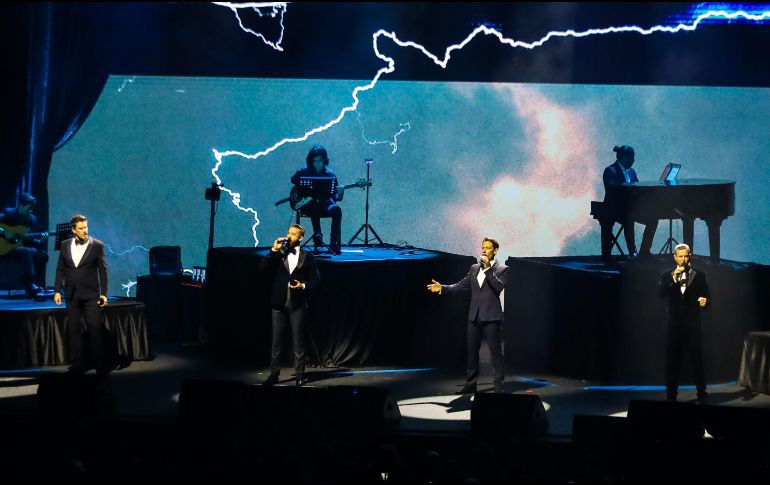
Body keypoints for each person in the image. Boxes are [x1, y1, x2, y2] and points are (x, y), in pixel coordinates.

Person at [427, 237, 509, 394]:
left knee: (495, 353)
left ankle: (498, 385)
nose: (484, 250)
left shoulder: (503, 269)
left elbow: (498, 287)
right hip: (474, 316)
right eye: (483, 247)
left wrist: (487, 269)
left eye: (488, 248)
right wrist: (443, 288)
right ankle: (471, 384)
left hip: (491, 316)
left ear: (495, 250)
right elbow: (462, 286)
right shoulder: (473, 268)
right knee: (472, 352)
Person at [260, 223, 320, 386]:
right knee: (277, 340)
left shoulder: (308, 257)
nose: (289, 236)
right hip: (278, 302)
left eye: (293, 234)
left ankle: (300, 374)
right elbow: (263, 268)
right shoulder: (279, 254)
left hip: (297, 303)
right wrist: (273, 251)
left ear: (300, 238)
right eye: (288, 232)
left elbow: (316, 280)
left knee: (298, 340)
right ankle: (274, 374)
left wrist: (303, 286)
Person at [53, 215, 110, 375]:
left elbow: (103, 271)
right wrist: (57, 290)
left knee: (94, 330)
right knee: (74, 330)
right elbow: (60, 269)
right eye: (81, 228)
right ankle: (78, 363)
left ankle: (99, 364)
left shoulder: (97, 245)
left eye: (86, 227)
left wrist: (104, 294)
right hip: (71, 295)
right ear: (73, 230)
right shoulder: (65, 245)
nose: (85, 230)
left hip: (91, 295)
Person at [658, 243, 710, 402]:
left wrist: (704, 301)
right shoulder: (667, 274)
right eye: (680, 256)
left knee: (697, 359)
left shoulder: (700, 275)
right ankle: (671, 394)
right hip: (674, 325)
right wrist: (674, 278)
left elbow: (707, 297)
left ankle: (702, 392)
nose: (683, 259)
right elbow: (660, 294)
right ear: (675, 257)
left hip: (693, 324)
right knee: (672, 360)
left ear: (690, 256)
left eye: (685, 256)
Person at [601, 145, 658, 260]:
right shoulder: (610, 170)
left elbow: (638, 188)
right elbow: (612, 188)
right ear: (623, 158)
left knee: (653, 219)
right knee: (629, 218)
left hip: (630, 209)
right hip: (614, 209)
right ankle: (632, 252)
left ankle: (644, 251)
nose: (633, 161)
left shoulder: (632, 172)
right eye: (631, 158)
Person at [290, 145, 345, 255]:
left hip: (325, 204)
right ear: (310, 161)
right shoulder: (303, 172)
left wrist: (340, 194)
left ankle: (333, 244)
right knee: (314, 204)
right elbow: (293, 180)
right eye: (314, 161)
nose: (317, 164)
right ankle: (317, 235)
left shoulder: (330, 175)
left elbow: (335, 197)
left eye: (320, 161)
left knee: (336, 210)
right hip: (308, 205)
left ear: (324, 160)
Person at [0, 193, 49, 296]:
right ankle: (29, 285)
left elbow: (29, 240)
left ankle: (37, 284)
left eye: (32, 209)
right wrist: (5, 233)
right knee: (26, 251)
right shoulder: (8, 213)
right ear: (21, 205)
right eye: (28, 208)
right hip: (5, 248)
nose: (30, 211)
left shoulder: (32, 219)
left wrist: (40, 241)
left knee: (42, 255)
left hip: (20, 248)